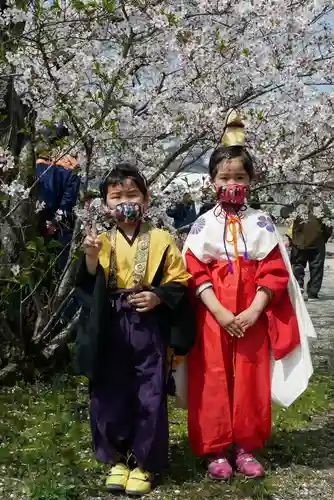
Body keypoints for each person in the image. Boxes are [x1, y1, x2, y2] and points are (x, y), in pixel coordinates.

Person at [182, 109, 314, 481]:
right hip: (214, 312)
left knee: (250, 377)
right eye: (225, 177)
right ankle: (215, 447)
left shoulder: (262, 223)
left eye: (240, 176)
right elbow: (193, 269)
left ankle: (245, 445)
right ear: (212, 182)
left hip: (252, 310)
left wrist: (255, 310)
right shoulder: (203, 224)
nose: (232, 183)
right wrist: (220, 311)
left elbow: (274, 271)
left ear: (251, 180)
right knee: (212, 375)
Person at [75, 163, 194, 496]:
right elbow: (85, 286)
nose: (125, 203)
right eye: (117, 197)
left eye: (133, 195)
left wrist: (157, 296)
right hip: (109, 325)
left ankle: (145, 462)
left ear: (146, 198)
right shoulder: (98, 241)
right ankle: (116, 458)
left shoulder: (161, 239)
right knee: (108, 391)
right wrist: (89, 258)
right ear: (104, 205)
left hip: (146, 326)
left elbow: (179, 281)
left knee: (149, 391)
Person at [35, 123, 80, 270]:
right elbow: (68, 200)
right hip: (61, 225)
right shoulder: (72, 167)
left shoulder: (37, 163)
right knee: (60, 266)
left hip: (37, 220)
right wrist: (54, 222)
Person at [288, 203, 332, 300]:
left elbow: (289, 227)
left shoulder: (295, 212)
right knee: (316, 268)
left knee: (298, 265)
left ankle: (299, 286)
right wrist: (322, 239)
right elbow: (329, 229)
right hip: (316, 244)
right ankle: (312, 292)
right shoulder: (321, 212)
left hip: (299, 244)